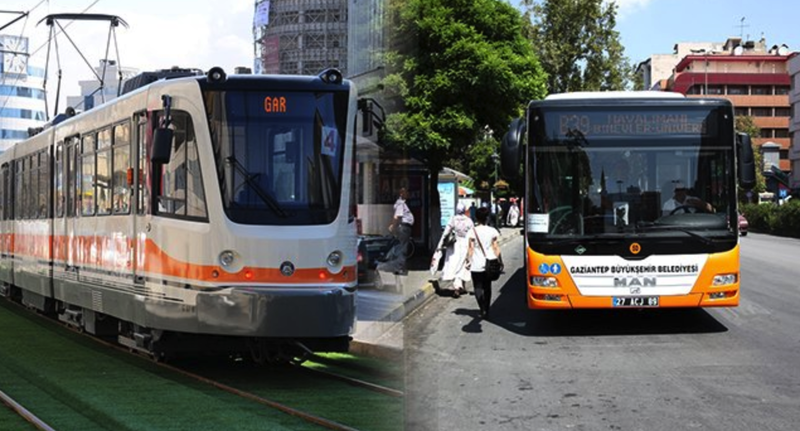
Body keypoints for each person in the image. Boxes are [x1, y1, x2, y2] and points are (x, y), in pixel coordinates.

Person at [466, 206, 502, 319]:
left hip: (476, 264)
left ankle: (481, 308)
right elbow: (496, 247)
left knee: (477, 286)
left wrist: (468, 260)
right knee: (487, 287)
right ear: (487, 218)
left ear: (476, 218)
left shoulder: (472, 231)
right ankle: (486, 309)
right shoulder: (492, 231)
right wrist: (499, 260)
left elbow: (470, 248)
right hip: (489, 262)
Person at [435, 202, 474, 298]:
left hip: (454, 245)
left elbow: (446, 233)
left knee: (455, 264)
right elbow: (472, 234)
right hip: (465, 244)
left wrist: (439, 245)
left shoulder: (453, 219)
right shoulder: (469, 221)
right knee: (462, 265)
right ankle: (459, 286)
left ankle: (458, 286)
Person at [380, 187, 415, 273]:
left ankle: (396, 265)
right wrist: (393, 225)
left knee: (400, 247)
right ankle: (399, 267)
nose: (408, 194)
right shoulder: (400, 204)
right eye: (406, 192)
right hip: (403, 227)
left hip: (405, 227)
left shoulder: (403, 203)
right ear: (401, 194)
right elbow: (397, 217)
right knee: (402, 248)